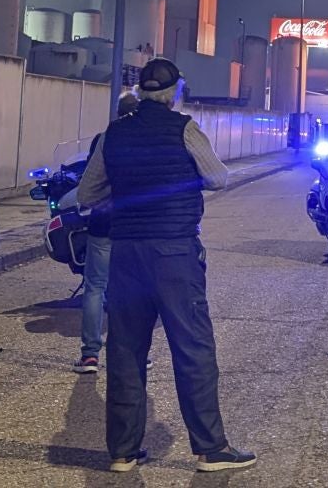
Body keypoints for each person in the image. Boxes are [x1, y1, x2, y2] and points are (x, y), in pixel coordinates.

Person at [78, 59, 255, 473]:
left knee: (125, 349)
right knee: (192, 348)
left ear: (139, 92)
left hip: (126, 252)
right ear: (177, 92)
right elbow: (217, 178)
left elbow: (87, 193)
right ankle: (210, 449)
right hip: (174, 252)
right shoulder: (184, 129)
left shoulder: (114, 134)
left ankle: (122, 452)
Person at [73, 89, 137, 375]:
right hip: (133, 226)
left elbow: (89, 183)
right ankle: (134, 352)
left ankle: (90, 355)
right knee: (130, 290)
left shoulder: (105, 138)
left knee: (95, 288)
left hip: (102, 223)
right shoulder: (146, 140)